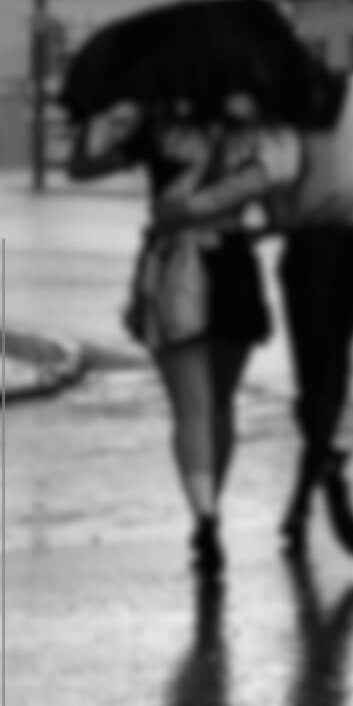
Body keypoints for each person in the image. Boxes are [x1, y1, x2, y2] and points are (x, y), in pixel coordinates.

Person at [154, 69, 353, 557]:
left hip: (313, 246)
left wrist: (267, 215)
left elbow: (278, 188)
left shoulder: (282, 113)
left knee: (315, 369)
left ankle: (323, 473)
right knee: (335, 365)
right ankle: (306, 497)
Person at [68, 102, 272, 573]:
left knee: (192, 407)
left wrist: (88, 119)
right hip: (233, 267)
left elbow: (83, 168)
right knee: (220, 405)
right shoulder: (251, 128)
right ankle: (210, 510)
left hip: (171, 267)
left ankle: (205, 515)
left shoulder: (156, 127)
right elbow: (277, 189)